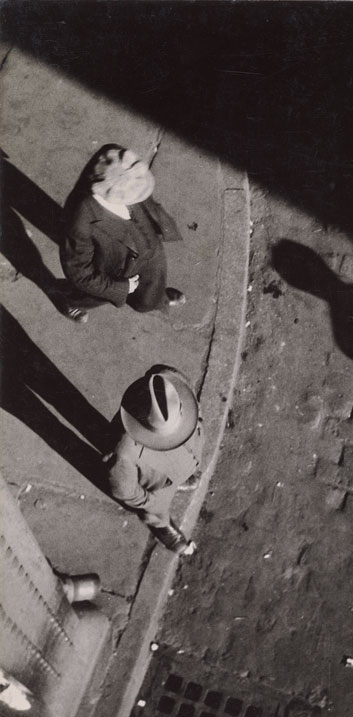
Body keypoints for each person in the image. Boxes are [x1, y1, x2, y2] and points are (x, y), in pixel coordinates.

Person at [61, 144, 185, 323]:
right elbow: (80, 273)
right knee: (99, 294)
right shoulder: (82, 221)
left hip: (148, 247)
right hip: (116, 268)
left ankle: (157, 298)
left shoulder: (116, 159)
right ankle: (73, 302)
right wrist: (120, 288)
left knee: (152, 289)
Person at [102, 365, 204, 555]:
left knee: (180, 473)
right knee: (157, 510)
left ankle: (179, 480)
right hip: (157, 486)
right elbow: (125, 490)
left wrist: (199, 420)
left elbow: (190, 397)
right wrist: (151, 501)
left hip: (182, 462)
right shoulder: (124, 452)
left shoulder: (168, 382)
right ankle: (161, 527)